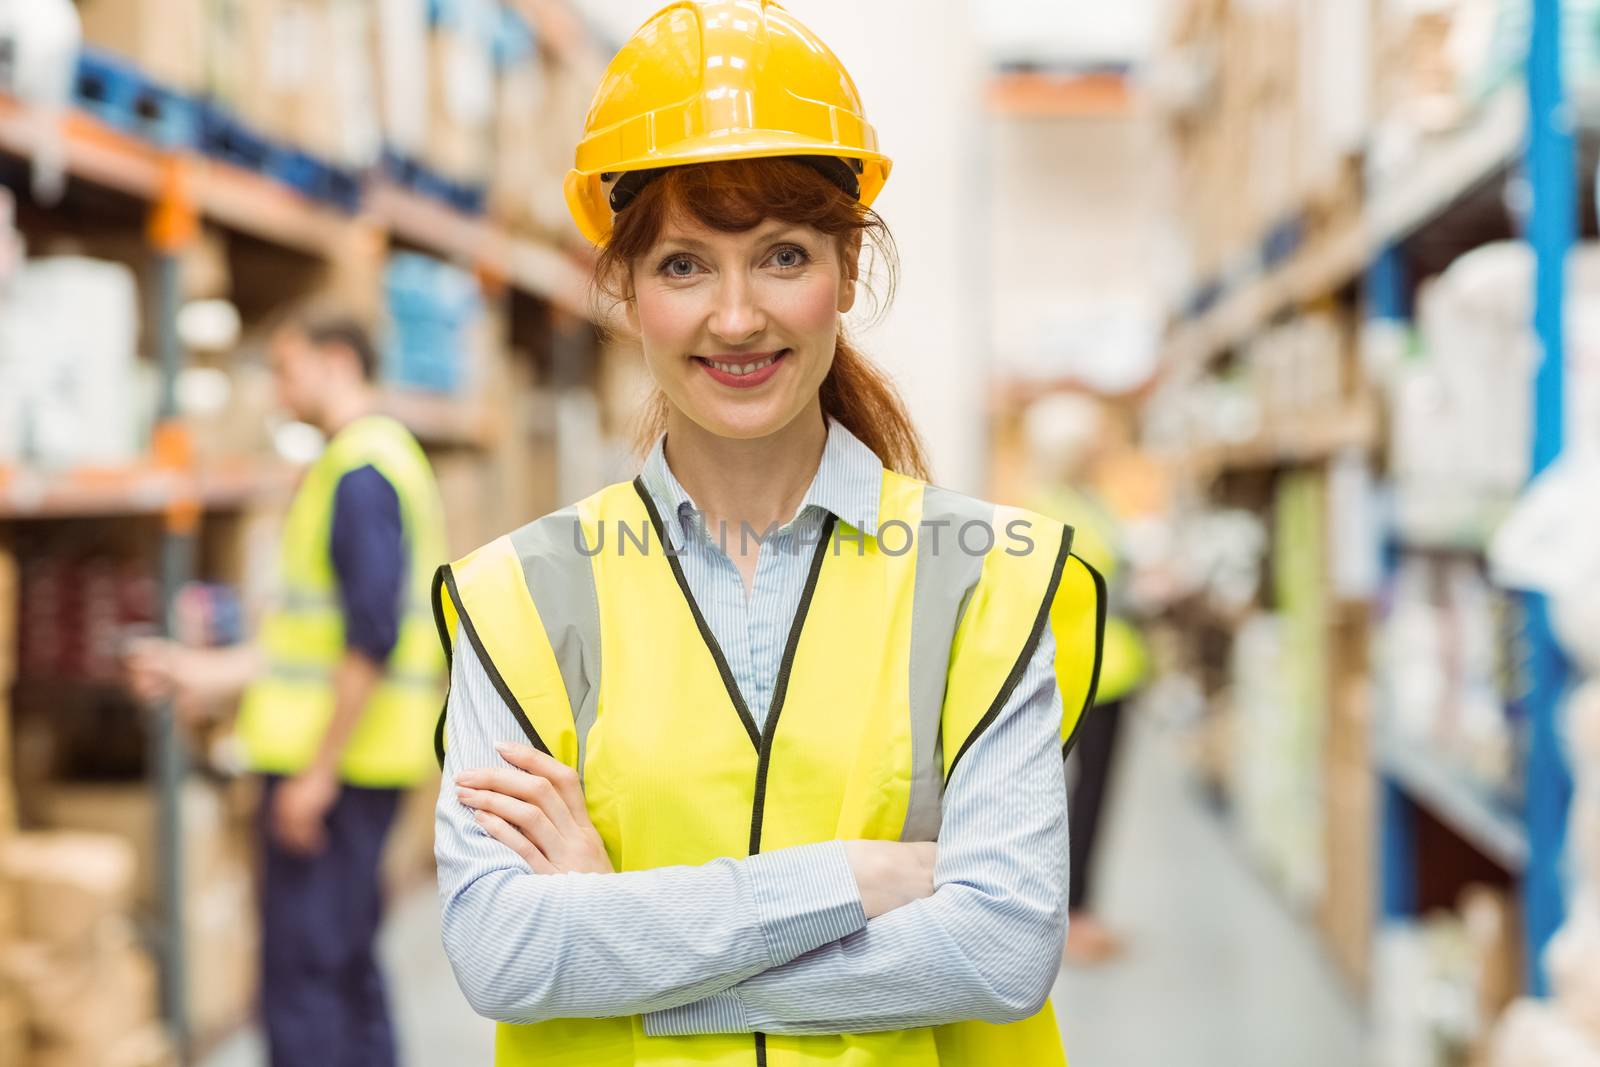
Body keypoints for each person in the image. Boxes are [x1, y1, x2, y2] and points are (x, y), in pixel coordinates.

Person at [432, 2, 1106, 1064]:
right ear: (625, 287)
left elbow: (1003, 947)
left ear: (845, 269)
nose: (737, 316)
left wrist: (624, 933)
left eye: (782, 256)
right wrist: (858, 876)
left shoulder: (987, 578)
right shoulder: (524, 593)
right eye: (684, 265)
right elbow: (502, 953)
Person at [127, 314, 447, 1067]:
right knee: (344, 970)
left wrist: (316, 774)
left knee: (306, 985)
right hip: (351, 766)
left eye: (286, 368)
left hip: (333, 776)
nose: (276, 389)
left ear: (338, 362)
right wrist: (198, 670)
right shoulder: (369, 459)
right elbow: (312, 644)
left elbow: (371, 637)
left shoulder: (361, 472)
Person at [1021, 392, 1154, 966]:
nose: (1104, 447)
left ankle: (1081, 909)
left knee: (1093, 795)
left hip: (1113, 669)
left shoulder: (1085, 501)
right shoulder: (1051, 510)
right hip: (1085, 673)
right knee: (1078, 797)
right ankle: (1070, 916)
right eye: (1094, 439)